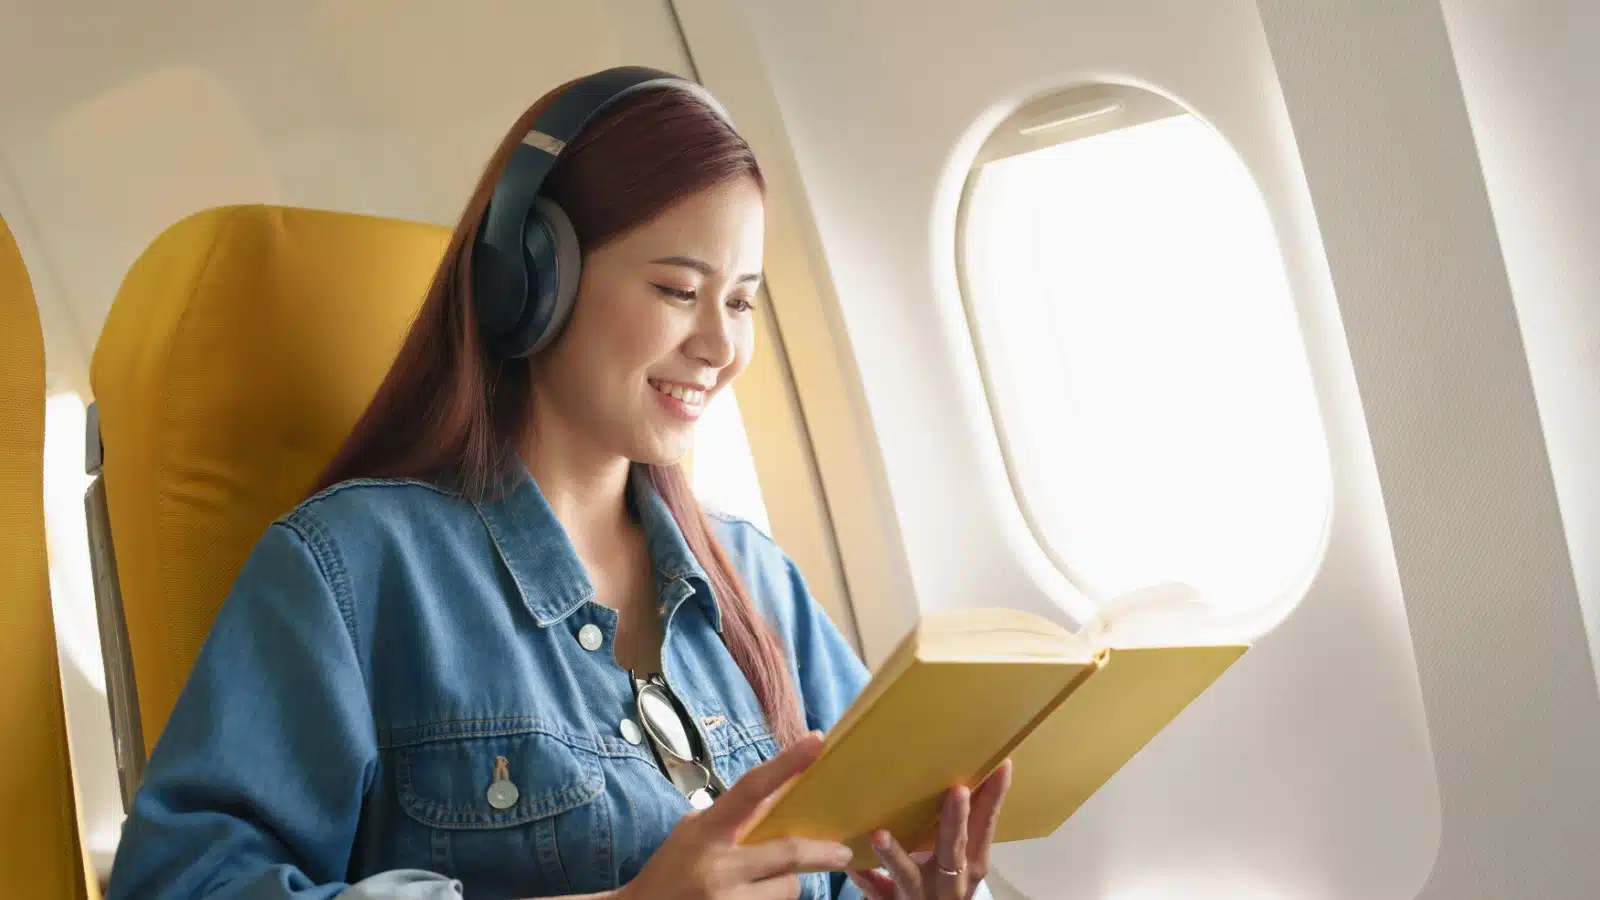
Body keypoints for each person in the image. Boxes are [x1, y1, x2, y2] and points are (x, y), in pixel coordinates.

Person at [105, 67, 1013, 900]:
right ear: (531, 280)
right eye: (675, 289)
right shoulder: (356, 569)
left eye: (739, 299)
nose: (722, 346)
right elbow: (183, 888)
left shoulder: (756, 580)